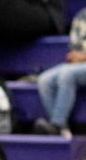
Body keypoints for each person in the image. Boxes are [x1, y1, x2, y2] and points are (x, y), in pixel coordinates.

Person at [33, 7, 86, 138]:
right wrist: (75, 55)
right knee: (44, 80)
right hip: (79, 64)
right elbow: (74, 47)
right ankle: (62, 130)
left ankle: (57, 125)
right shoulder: (82, 15)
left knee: (67, 74)